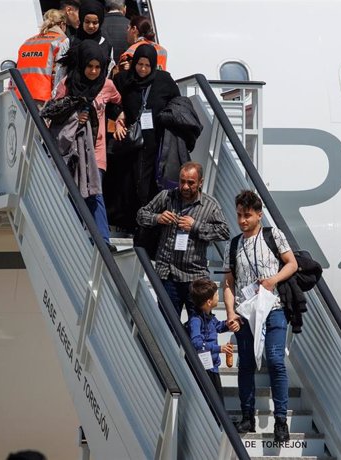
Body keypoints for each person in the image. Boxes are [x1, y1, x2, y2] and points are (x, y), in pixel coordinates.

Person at [223, 190, 298, 442]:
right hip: (245, 313)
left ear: (259, 215)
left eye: (247, 215)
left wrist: (273, 280)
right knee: (245, 364)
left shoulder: (273, 235)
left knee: (276, 361)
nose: (243, 220)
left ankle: (280, 421)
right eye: (239, 215)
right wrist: (231, 312)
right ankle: (247, 417)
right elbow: (228, 283)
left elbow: (292, 263)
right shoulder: (233, 244)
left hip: (273, 308)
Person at [44, 41, 121, 247]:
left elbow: (117, 102)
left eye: (98, 67)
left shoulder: (107, 85)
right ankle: (76, 235)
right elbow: (54, 112)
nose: (94, 71)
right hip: (73, 149)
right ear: (82, 65)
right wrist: (74, 117)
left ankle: (102, 238)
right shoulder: (67, 84)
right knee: (75, 191)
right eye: (90, 66)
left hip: (97, 149)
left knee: (95, 191)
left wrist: (119, 117)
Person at [136, 162, 230, 316]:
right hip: (168, 275)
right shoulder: (167, 196)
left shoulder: (209, 205)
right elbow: (141, 215)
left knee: (198, 328)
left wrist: (195, 226)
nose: (185, 187)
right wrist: (158, 217)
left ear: (201, 182)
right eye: (182, 181)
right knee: (168, 325)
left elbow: (224, 232)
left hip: (195, 277)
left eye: (191, 183)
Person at [108, 44, 179, 232]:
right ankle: (128, 223)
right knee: (128, 183)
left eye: (148, 65)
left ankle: (147, 225)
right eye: (140, 64)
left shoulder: (163, 81)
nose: (143, 69)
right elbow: (110, 102)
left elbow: (177, 102)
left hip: (155, 143)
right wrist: (119, 114)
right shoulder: (124, 79)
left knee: (149, 184)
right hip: (131, 142)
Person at [187, 278, 233, 404]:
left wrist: (230, 323)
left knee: (217, 401)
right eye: (217, 295)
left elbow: (218, 326)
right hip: (204, 369)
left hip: (213, 367)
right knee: (214, 403)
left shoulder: (210, 317)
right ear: (209, 302)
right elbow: (196, 343)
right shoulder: (196, 320)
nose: (219, 297)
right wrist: (219, 348)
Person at [15, 9, 69, 106]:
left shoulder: (27, 42)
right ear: (62, 24)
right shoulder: (61, 41)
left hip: (21, 97)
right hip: (44, 98)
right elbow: (61, 73)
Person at [69, 0, 115, 73]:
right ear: (81, 20)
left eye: (95, 22)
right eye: (87, 22)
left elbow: (109, 70)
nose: (91, 26)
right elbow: (61, 72)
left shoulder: (106, 45)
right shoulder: (69, 42)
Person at [100, 0, 130, 64]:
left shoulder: (98, 25)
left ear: (105, 9)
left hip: (100, 69)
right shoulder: (130, 26)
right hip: (124, 69)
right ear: (124, 8)